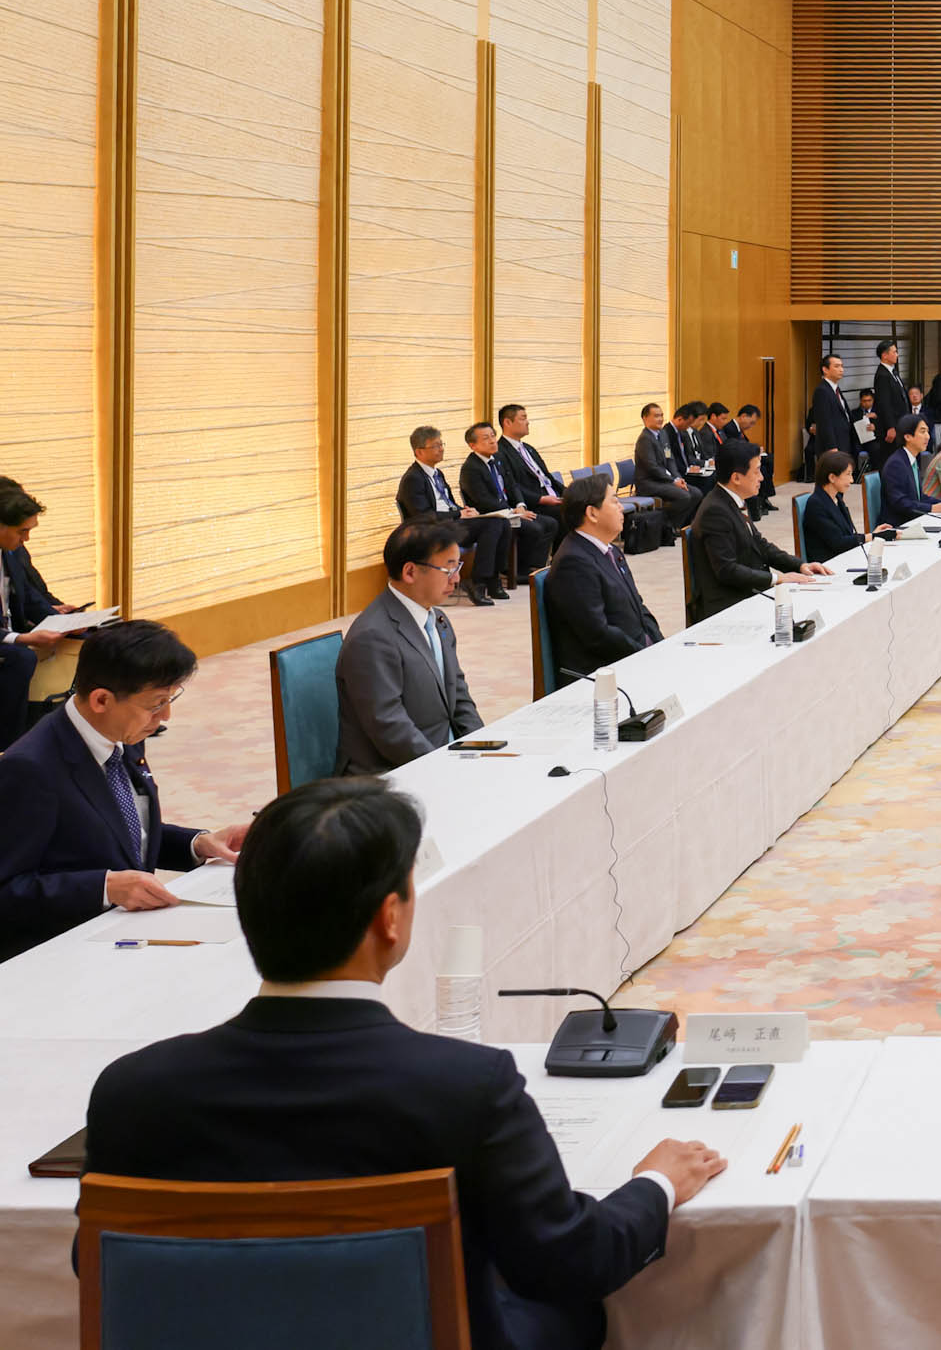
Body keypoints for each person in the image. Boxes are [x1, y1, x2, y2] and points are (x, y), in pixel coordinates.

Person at [83, 775, 724, 1350]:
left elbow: (102, 1266)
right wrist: (657, 1183)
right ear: (390, 918)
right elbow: (571, 1261)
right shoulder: (466, 1086)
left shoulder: (132, 1090)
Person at [0, 621, 248, 960]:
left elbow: (116, 829)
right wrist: (104, 888)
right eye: (156, 703)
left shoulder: (120, 735)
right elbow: (7, 890)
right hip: (59, 952)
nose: (166, 717)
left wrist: (196, 843)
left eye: (170, 699)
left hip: (127, 932)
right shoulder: (30, 769)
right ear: (101, 699)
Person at [338, 521, 484, 774]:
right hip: (392, 773)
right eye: (448, 569)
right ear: (410, 572)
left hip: (441, 756)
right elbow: (389, 726)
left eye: (457, 566)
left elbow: (459, 696)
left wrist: (482, 749)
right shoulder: (373, 637)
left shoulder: (438, 620)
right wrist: (442, 770)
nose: (457, 578)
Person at [686, 441, 827, 625]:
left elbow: (760, 545)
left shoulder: (734, 500)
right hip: (729, 603)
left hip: (749, 590)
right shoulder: (715, 511)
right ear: (736, 478)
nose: (762, 477)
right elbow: (727, 570)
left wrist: (799, 566)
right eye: (756, 471)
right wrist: (777, 579)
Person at [541, 475, 663, 685]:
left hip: (631, 657)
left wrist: (661, 646)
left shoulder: (610, 550)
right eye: (614, 501)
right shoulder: (573, 562)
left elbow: (639, 607)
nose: (620, 507)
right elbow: (598, 634)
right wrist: (644, 655)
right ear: (592, 513)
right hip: (602, 673)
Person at [0, 482, 81, 745]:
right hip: (8, 640)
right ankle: (11, 744)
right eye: (22, 531)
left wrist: (65, 622)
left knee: (93, 639)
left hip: (12, 631)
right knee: (20, 657)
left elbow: (31, 596)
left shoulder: (11, 552)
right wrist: (20, 639)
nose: (26, 539)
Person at [397, 424, 509, 606]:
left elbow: (446, 502)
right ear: (419, 452)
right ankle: (478, 582)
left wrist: (464, 510)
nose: (440, 449)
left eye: (442, 444)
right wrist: (458, 514)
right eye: (435, 446)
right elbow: (422, 515)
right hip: (430, 529)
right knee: (492, 524)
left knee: (501, 522)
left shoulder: (437, 473)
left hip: (448, 524)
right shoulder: (413, 478)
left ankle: (492, 578)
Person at [459, 422, 557, 579]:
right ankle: (514, 570)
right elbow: (484, 502)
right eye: (486, 438)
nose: (492, 441)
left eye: (493, 436)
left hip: (511, 509)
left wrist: (520, 505)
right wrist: (513, 512)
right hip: (493, 515)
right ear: (473, 445)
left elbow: (512, 485)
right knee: (534, 528)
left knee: (550, 523)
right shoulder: (471, 468)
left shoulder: (497, 458)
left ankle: (533, 567)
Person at [493, 404, 569, 523]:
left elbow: (547, 476)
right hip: (535, 503)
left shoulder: (529, 449)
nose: (528, 422)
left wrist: (571, 493)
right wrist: (541, 499)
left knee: (587, 502)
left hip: (553, 496)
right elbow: (512, 486)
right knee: (568, 513)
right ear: (507, 422)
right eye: (523, 418)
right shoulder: (500, 452)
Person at [629, 402, 700, 528]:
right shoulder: (645, 439)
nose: (660, 419)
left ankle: (675, 526)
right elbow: (652, 468)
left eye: (661, 415)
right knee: (683, 496)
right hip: (649, 483)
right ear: (645, 418)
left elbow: (670, 459)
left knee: (696, 493)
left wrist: (678, 478)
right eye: (656, 416)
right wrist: (673, 481)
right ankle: (665, 526)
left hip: (664, 480)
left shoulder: (662, 434)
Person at [882, 418, 941, 520]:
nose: (928, 436)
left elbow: (919, 497)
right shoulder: (896, 463)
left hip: (914, 518)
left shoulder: (910, 459)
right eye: (922, 432)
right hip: (900, 524)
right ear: (908, 437)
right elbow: (899, 502)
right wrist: (931, 508)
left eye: (927, 431)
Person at [799, 451, 867, 563]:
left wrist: (872, 535)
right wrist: (870, 537)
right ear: (832, 477)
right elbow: (838, 543)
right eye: (848, 474)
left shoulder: (837, 498)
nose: (852, 480)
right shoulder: (816, 504)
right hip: (829, 565)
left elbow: (848, 534)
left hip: (843, 558)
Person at [806, 353, 854, 479]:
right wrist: (832, 447)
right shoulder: (822, 391)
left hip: (843, 442)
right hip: (832, 446)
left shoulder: (835, 389)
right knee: (833, 481)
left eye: (842, 366)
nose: (841, 369)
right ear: (825, 369)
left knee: (841, 481)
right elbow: (824, 422)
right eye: (837, 366)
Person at [868, 340, 910, 470]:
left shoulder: (893, 372)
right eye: (894, 352)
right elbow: (884, 403)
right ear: (884, 355)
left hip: (901, 422)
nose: (897, 354)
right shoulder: (882, 375)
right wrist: (890, 426)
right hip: (892, 426)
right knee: (890, 459)